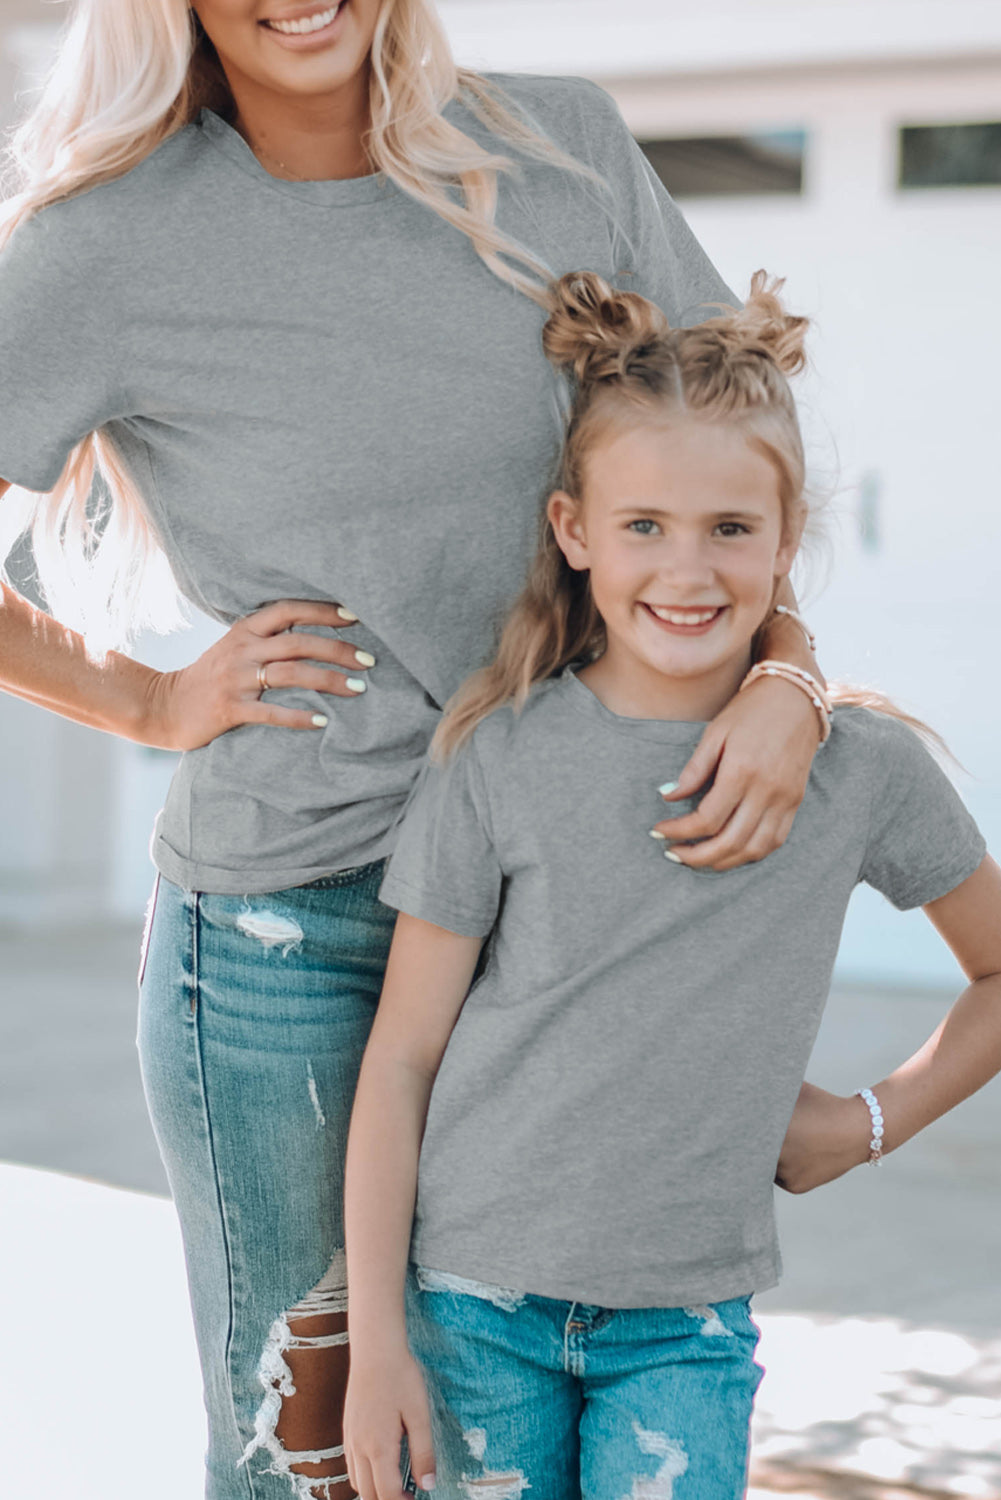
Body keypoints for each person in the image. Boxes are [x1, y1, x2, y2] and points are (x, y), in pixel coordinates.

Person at [0, 4, 827, 1496]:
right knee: (315, 1447)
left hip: (569, 904)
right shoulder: (106, 244)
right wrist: (146, 700)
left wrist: (792, 678)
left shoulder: (559, 148)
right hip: (294, 926)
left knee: (523, 1429)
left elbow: (733, 450)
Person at [341, 272, 1001, 1500]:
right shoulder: (498, 755)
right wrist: (377, 1342)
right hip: (475, 1306)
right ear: (571, 529)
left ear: (785, 543)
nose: (685, 570)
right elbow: (403, 1060)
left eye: (729, 529)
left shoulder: (859, 771)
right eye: (642, 524)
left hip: (684, 1327)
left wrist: (868, 1123)